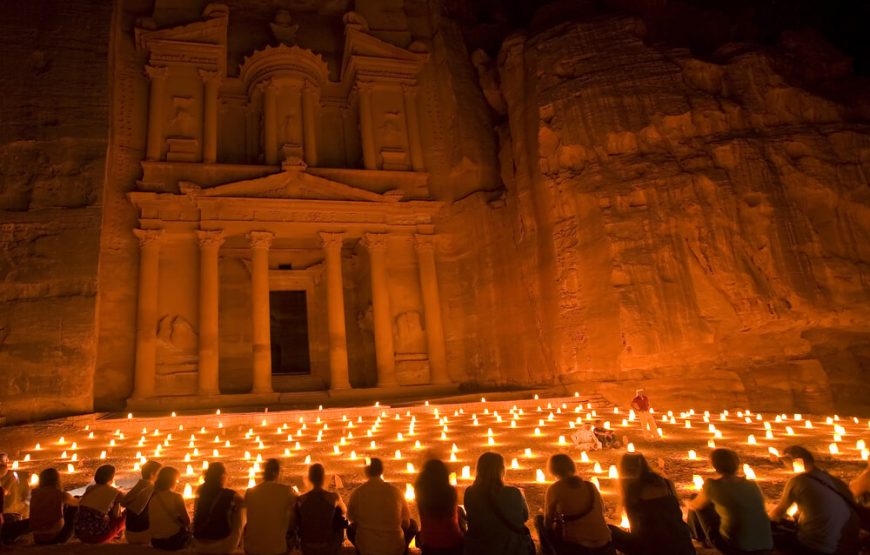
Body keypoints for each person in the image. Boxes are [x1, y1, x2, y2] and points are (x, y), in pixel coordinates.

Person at [769, 446, 861, 555]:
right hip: (848, 546)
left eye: (785, 462)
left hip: (818, 547)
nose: (785, 466)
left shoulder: (798, 481)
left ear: (796, 463)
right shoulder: (831, 480)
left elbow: (777, 514)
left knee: (770, 533)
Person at [686, 448, 773, 555]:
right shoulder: (752, 484)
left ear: (715, 466)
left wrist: (687, 503)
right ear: (737, 464)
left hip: (735, 547)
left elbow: (696, 505)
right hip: (765, 543)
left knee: (696, 501)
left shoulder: (712, 485)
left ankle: (701, 538)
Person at [608, 453, 695, 555]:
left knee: (608, 530)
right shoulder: (667, 483)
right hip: (682, 545)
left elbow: (636, 529)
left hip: (652, 548)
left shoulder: (633, 491)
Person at [535, 454, 614, 555]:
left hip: (577, 546)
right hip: (604, 542)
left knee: (539, 520)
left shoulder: (555, 489)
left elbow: (547, 523)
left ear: (553, 470)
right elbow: (601, 510)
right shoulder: (591, 486)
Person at [462, 452, 534, 555]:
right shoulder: (514, 492)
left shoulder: (470, 492)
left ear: (478, 470)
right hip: (510, 548)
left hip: (480, 548)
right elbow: (525, 517)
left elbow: (471, 517)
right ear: (502, 470)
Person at [347, 457, 417, 555]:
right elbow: (406, 522)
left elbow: (350, 518)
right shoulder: (395, 491)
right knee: (413, 524)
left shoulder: (358, 493)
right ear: (381, 471)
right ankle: (404, 550)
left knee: (350, 530)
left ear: (366, 472)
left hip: (366, 548)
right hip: (394, 548)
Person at [245, 458, 297, 555]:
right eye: (281, 471)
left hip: (251, 549)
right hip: (276, 550)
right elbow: (299, 506)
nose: (283, 474)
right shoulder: (287, 491)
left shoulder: (250, 492)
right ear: (275, 473)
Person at [414, 459, 465, 555]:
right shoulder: (451, 492)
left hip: (429, 542)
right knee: (460, 511)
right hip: (452, 542)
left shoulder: (420, 492)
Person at [193, 462, 245, 554]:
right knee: (242, 509)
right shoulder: (228, 494)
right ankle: (243, 541)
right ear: (222, 476)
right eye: (226, 474)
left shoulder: (200, 491)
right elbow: (247, 504)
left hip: (198, 543)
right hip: (221, 545)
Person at [296, 463, 347, 555]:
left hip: (307, 545)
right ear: (323, 478)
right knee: (340, 520)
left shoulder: (301, 499)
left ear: (310, 478)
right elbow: (345, 512)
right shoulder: (333, 497)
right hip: (328, 545)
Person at [75, 464, 126, 544]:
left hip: (82, 534)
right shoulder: (114, 492)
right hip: (99, 536)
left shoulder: (90, 488)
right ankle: (119, 533)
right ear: (111, 478)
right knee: (125, 513)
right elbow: (127, 501)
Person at [28, 467, 79, 545]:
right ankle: (79, 531)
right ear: (57, 479)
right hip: (56, 538)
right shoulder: (60, 494)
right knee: (73, 507)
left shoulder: (34, 493)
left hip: (37, 538)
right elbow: (78, 503)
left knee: (60, 505)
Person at [149, 466, 191, 551]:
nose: (177, 482)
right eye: (177, 480)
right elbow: (187, 521)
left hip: (155, 542)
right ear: (172, 481)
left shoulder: (152, 496)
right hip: (173, 541)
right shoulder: (176, 497)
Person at [122, 459, 162, 544]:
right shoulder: (153, 490)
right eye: (160, 473)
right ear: (152, 474)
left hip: (129, 535)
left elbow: (123, 503)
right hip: (145, 535)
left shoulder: (138, 487)